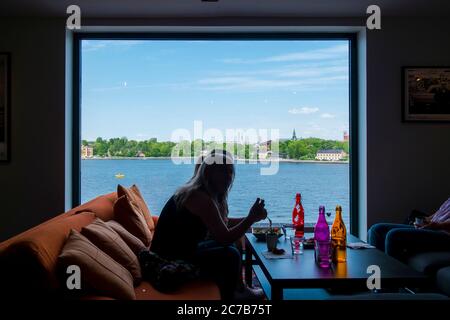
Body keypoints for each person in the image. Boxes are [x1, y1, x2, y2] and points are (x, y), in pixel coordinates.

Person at [148, 149, 268, 300]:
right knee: (230, 254)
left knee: (234, 245)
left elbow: (220, 223)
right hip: (169, 257)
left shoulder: (202, 192)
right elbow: (224, 237)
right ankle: (231, 296)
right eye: (223, 171)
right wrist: (250, 219)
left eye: (230, 172)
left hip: (181, 249)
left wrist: (252, 218)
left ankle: (239, 288)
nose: (228, 176)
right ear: (208, 174)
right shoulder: (199, 197)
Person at [368, 198, 450, 262]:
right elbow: (438, 213)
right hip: (434, 228)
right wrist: (425, 220)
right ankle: (376, 274)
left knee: (394, 235)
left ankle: (392, 278)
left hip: (445, 233)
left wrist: (439, 226)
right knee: (377, 229)